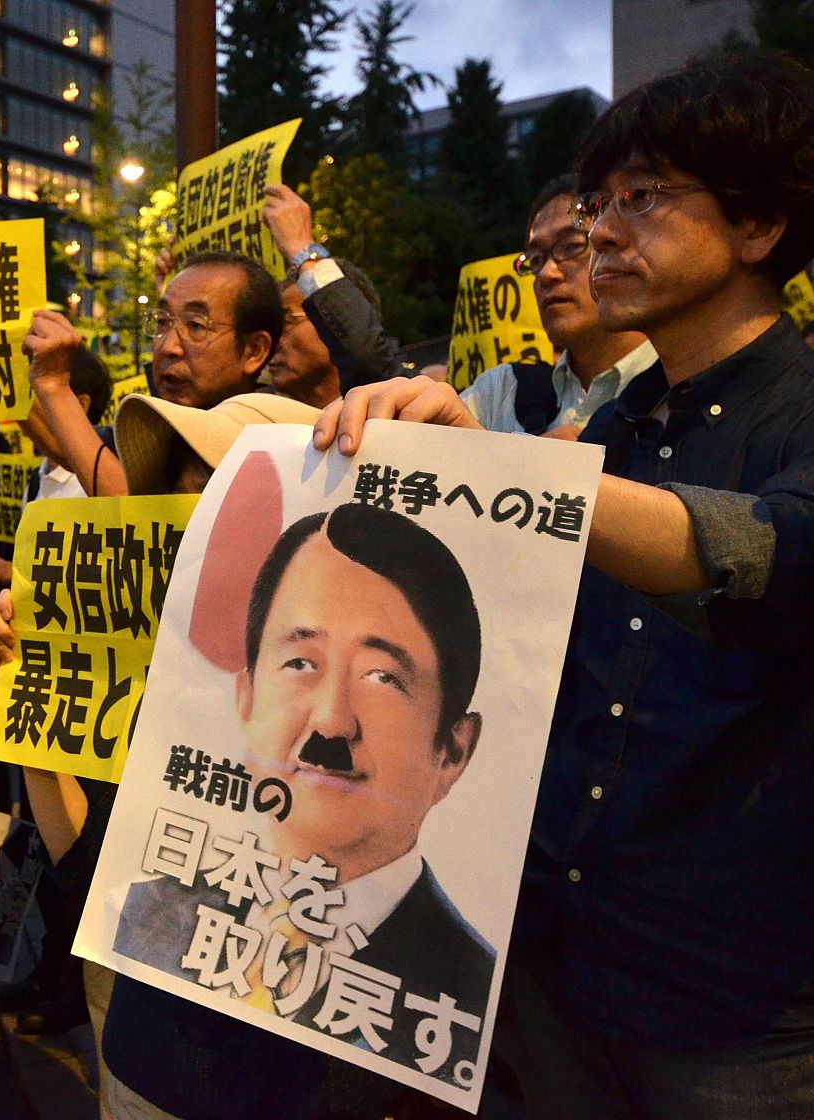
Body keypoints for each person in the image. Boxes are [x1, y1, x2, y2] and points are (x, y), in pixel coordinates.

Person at [313, 52, 814, 1120]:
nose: (601, 233)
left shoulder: (798, 415)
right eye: (598, 200)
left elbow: (764, 553)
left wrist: (506, 475)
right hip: (556, 960)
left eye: (645, 198)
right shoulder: (620, 427)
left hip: (737, 1003)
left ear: (760, 225)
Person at [0, 393, 420, 1119]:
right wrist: (33, 693)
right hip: (153, 1063)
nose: (197, 528)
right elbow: (90, 871)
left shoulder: (369, 707)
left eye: (224, 495)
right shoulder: (155, 670)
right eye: (183, 502)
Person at [111, 503, 494, 1085]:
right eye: (300, 662)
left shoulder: (468, 999)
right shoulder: (149, 904)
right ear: (246, 698)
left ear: (454, 751)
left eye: (382, 677)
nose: (332, 723)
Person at [26, 251, 284, 498]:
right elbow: (74, 448)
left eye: (196, 326)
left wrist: (55, 385)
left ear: (254, 351)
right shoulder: (159, 430)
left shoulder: (272, 437)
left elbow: (137, 515)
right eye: (162, 322)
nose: (168, 346)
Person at [460, 174, 656, 437]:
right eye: (535, 259)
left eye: (572, 246)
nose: (546, 273)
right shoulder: (497, 395)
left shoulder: (683, 396)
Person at [260, 184, 401, 399]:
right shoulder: (253, 423)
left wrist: (302, 251)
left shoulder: (397, 411)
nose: (272, 339)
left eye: (287, 321)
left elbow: (365, 354)